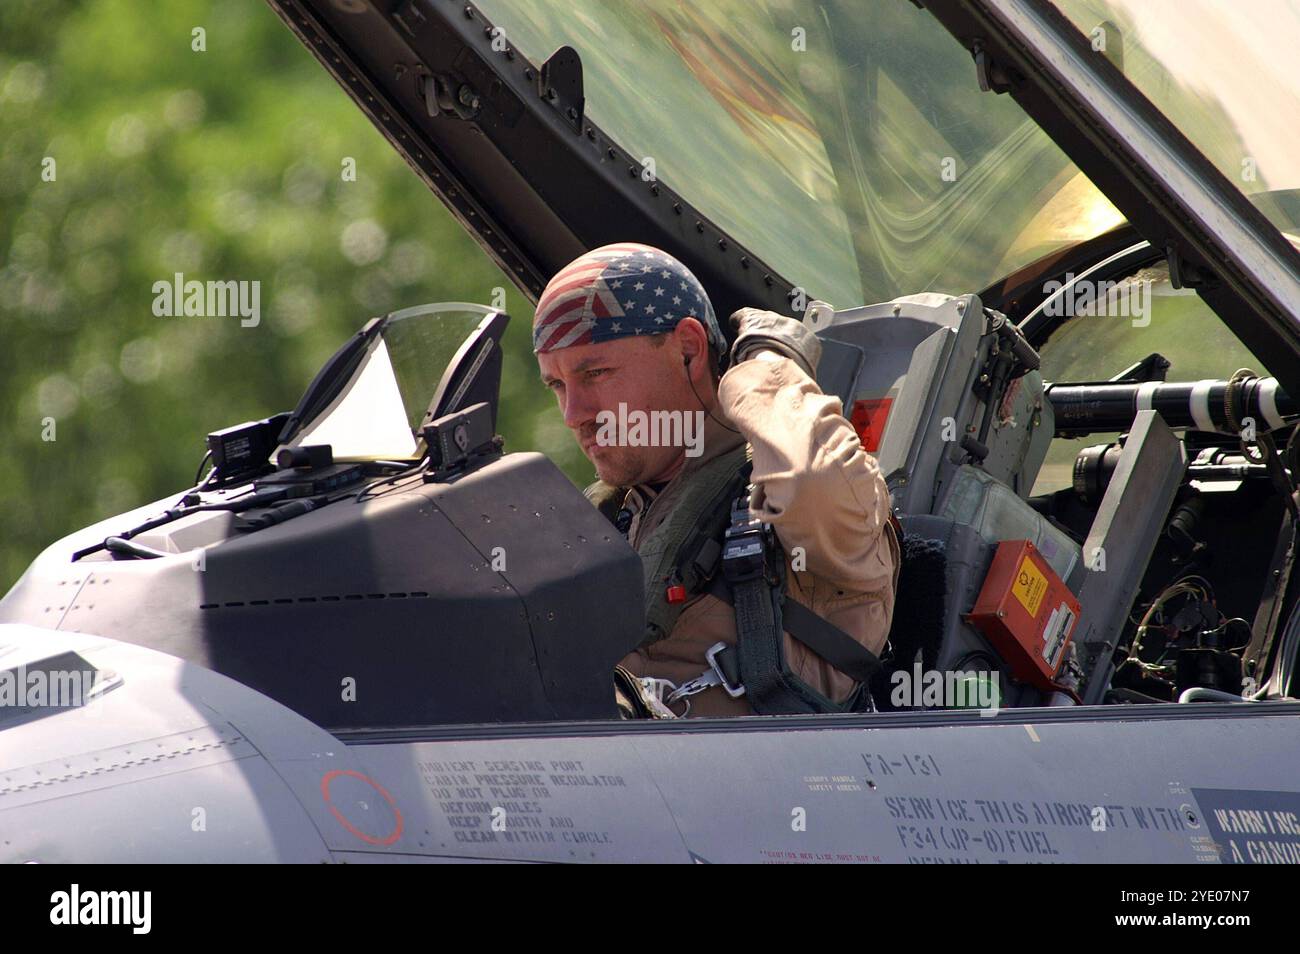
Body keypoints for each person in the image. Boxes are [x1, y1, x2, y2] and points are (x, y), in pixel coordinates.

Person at [535, 242, 899, 716]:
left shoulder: (793, 494)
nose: (572, 413)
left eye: (596, 372)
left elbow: (807, 480)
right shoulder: (616, 515)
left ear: (688, 350)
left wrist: (768, 369)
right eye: (558, 385)